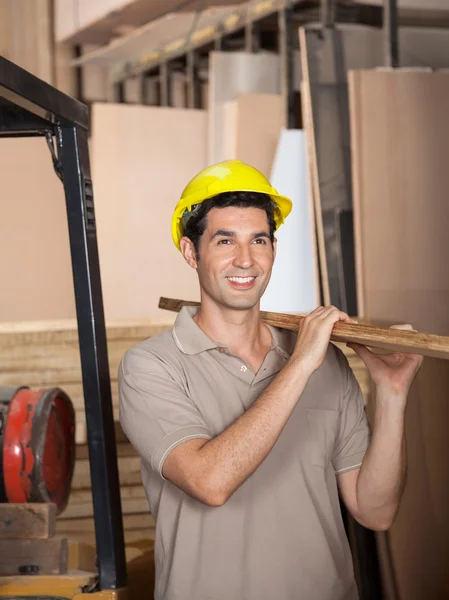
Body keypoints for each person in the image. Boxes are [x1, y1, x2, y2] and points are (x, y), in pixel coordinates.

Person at [119, 160, 423, 600]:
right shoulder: (152, 366)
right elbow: (210, 482)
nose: (245, 259)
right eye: (225, 240)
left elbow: (375, 511)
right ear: (191, 252)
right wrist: (300, 364)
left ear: (273, 250)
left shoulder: (327, 363)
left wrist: (392, 392)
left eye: (258, 240)